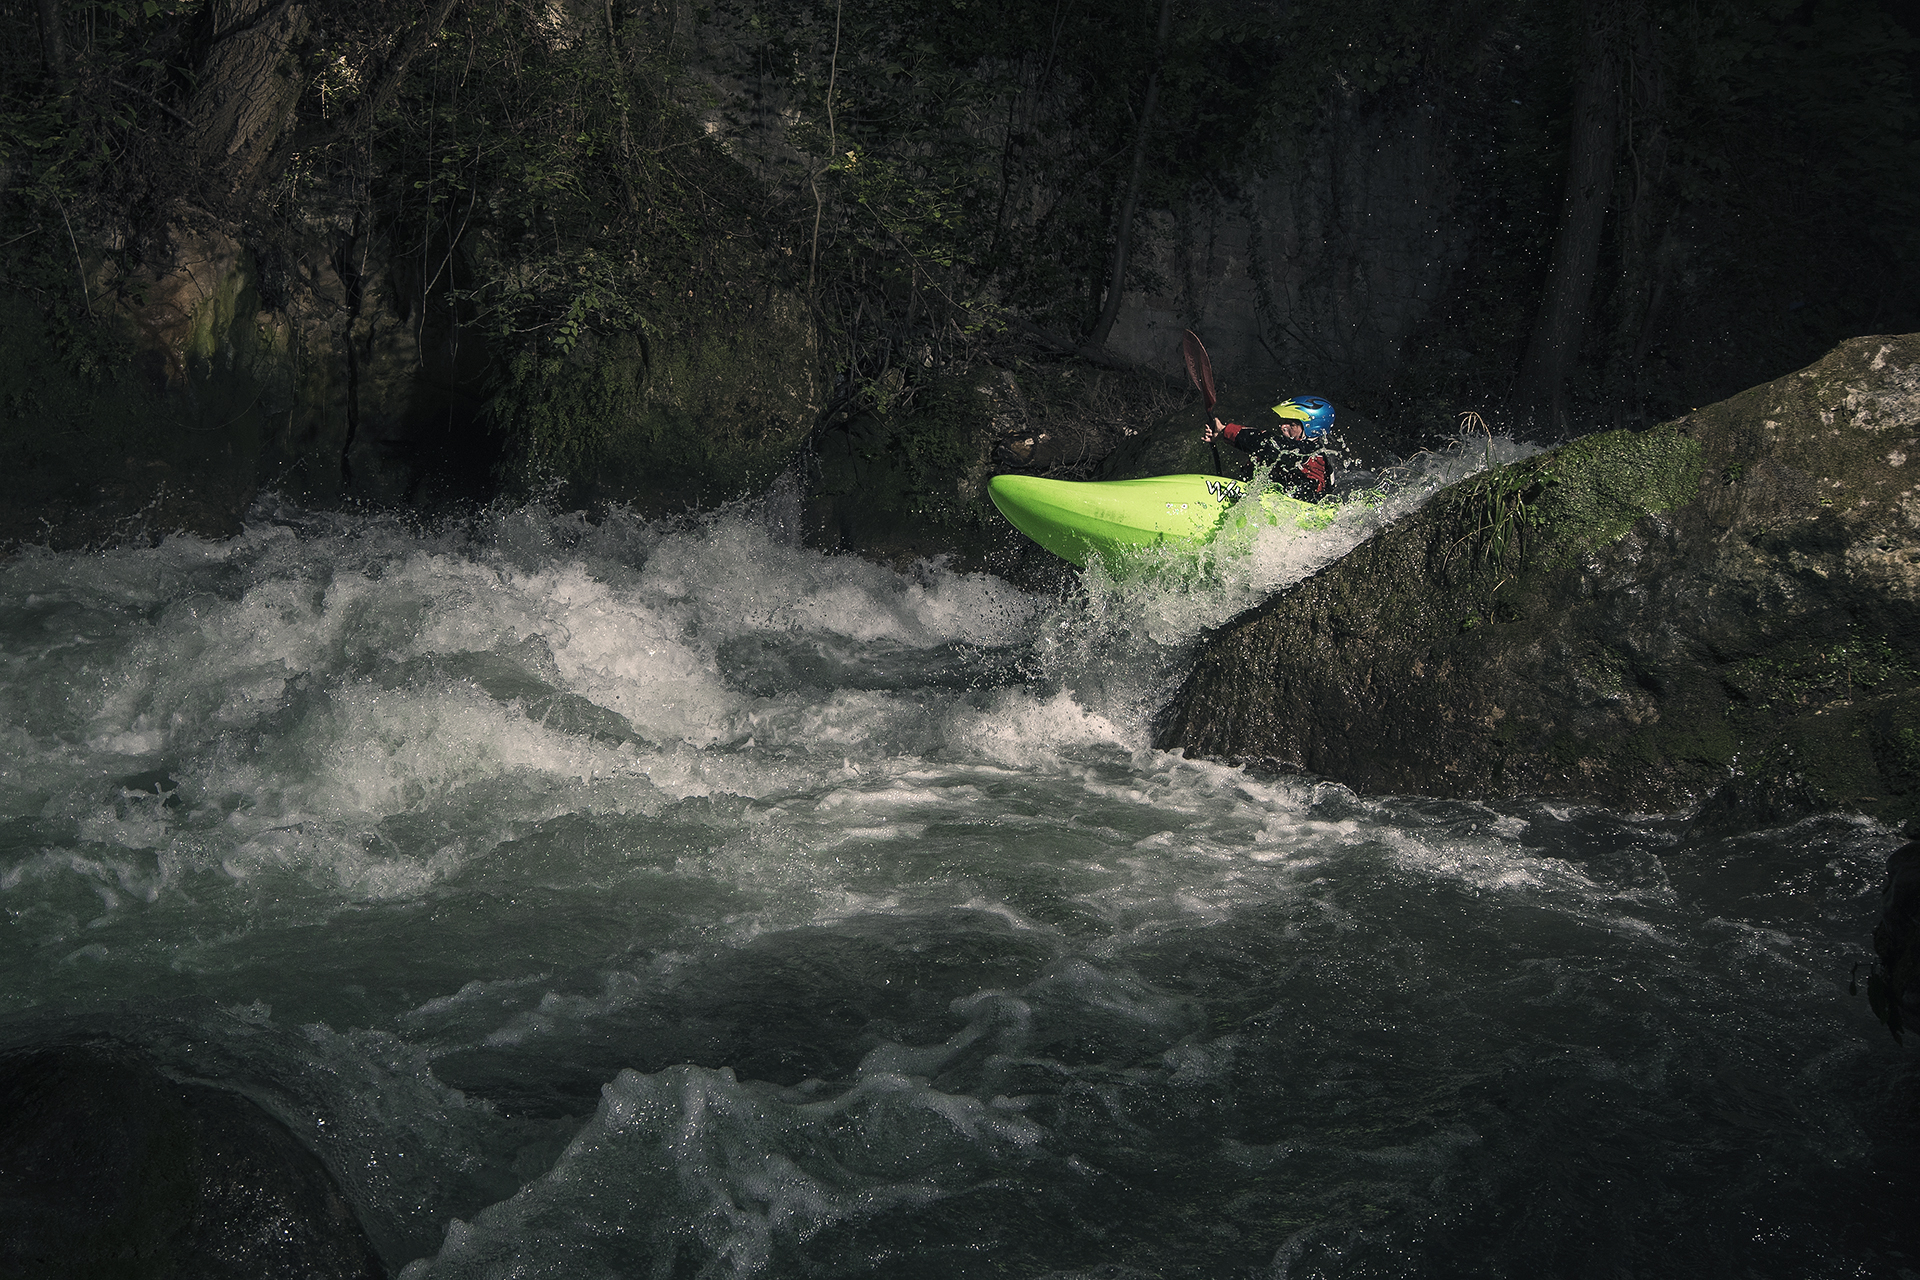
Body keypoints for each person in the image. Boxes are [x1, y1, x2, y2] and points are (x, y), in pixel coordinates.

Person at [1203, 396, 1340, 500]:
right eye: (1282, 422)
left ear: (1311, 429)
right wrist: (1221, 435)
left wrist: (1225, 430)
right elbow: (1262, 448)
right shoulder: (1292, 450)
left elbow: (1266, 443)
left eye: (1291, 424)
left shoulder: (1311, 453)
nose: (1282, 426)